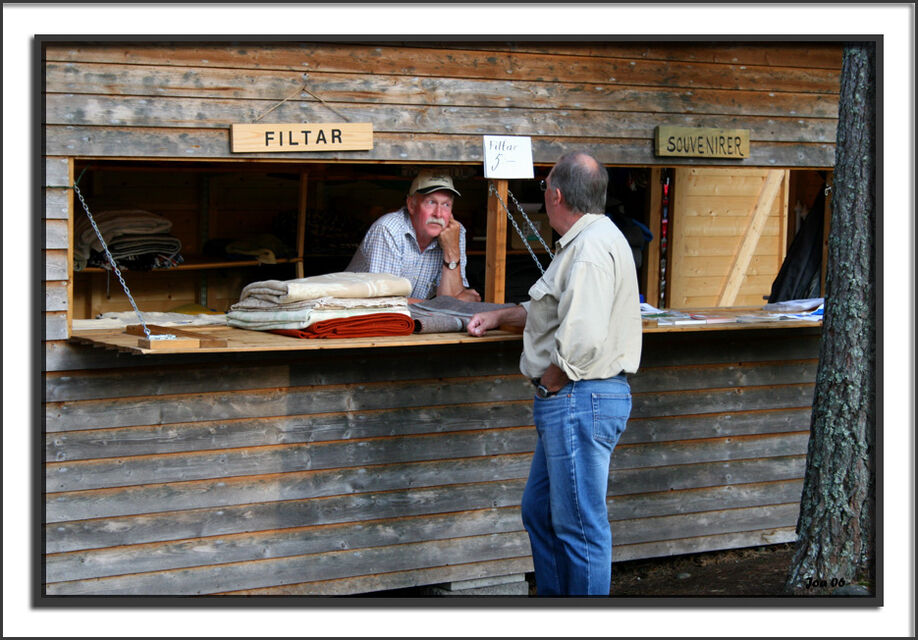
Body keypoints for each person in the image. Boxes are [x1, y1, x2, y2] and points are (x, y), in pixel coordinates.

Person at [466, 151, 642, 596]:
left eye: (544, 186)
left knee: (579, 527)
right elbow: (552, 310)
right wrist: (498, 316)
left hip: (579, 396)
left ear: (557, 195)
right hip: (580, 397)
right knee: (541, 512)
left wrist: (549, 386)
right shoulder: (590, 240)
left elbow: (581, 338)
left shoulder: (588, 250)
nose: (543, 193)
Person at [345, 169, 481, 303]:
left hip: (413, 314)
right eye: (431, 202)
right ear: (411, 205)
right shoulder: (388, 229)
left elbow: (451, 302)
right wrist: (437, 305)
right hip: (351, 311)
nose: (438, 214)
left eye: (446, 205)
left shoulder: (455, 232)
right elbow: (385, 301)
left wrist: (451, 250)